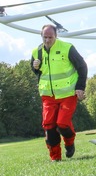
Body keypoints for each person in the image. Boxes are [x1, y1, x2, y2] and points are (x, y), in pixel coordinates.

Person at [31, 24, 88, 161]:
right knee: (49, 125)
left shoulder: (67, 48)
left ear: (56, 36)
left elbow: (82, 66)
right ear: (41, 37)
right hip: (47, 96)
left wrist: (80, 87)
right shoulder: (36, 52)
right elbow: (37, 71)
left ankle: (69, 143)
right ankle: (55, 158)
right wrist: (35, 67)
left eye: (50, 37)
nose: (47, 40)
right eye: (45, 37)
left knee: (62, 123)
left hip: (67, 94)